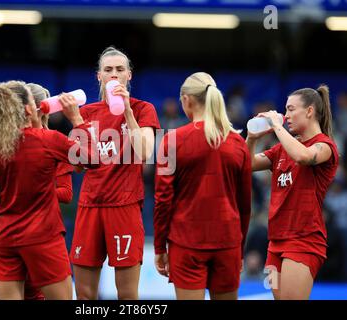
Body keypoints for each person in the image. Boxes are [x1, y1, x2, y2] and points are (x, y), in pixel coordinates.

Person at [0, 84, 95, 300]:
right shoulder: (47, 140)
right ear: (30, 109)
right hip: (43, 238)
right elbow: (93, 160)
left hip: (5, 241)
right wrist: (77, 120)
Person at [69, 46, 161, 300]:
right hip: (90, 204)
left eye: (120, 70)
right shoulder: (87, 112)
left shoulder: (144, 109)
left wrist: (128, 112)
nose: (114, 75)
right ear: (99, 76)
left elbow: (144, 152)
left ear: (129, 76)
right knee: (85, 295)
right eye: (108, 70)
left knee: (127, 295)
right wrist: (77, 124)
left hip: (124, 205)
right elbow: (76, 165)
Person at [153, 72, 251, 300]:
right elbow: (245, 203)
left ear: (186, 99)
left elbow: (163, 199)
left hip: (186, 243)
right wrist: (240, 247)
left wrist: (159, 247)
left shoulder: (172, 140)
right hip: (228, 242)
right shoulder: (238, 143)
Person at [246, 85, 339, 300]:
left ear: (309, 111)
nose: (285, 115)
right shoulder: (281, 149)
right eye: (285, 111)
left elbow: (303, 157)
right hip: (275, 241)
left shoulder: (324, 146)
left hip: (303, 240)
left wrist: (278, 127)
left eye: (290, 109)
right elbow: (247, 163)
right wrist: (252, 138)